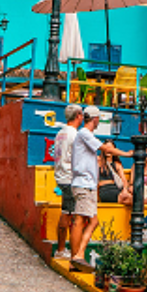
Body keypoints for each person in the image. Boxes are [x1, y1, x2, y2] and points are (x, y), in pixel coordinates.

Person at [68, 107, 127, 264]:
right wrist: (129, 154)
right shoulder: (85, 134)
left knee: (92, 221)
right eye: (99, 118)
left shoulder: (86, 135)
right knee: (80, 220)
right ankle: (77, 257)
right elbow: (106, 148)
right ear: (95, 119)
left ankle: (78, 254)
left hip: (87, 184)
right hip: (83, 183)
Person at [50, 104, 84, 260]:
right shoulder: (74, 134)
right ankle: (62, 249)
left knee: (68, 212)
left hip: (61, 175)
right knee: (68, 214)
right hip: (70, 177)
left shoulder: (60, 133)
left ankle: (63, 248)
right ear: (78, 115)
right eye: (82, 114)